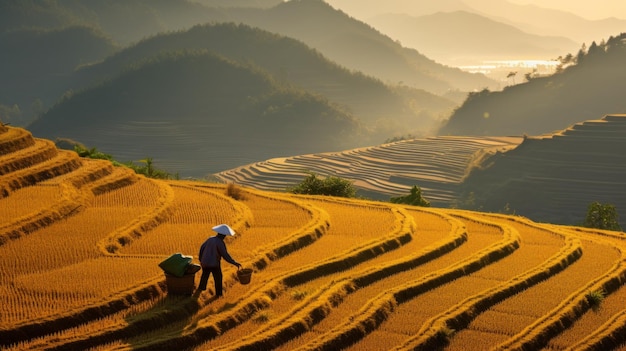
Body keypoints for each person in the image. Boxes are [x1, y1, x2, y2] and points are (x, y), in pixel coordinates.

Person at [196, 224, 241, 297]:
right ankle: (219, 294)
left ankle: (200, 290)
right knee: (218, 277)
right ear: (222, 235)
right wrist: (234, 263)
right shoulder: (220, 243)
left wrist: (201, 259)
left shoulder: (210, 239)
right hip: (214, 263)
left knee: (204, 275)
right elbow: (225, 255)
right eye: (224, 235)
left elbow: (202, 248)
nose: (225, 237)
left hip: (205, 262)